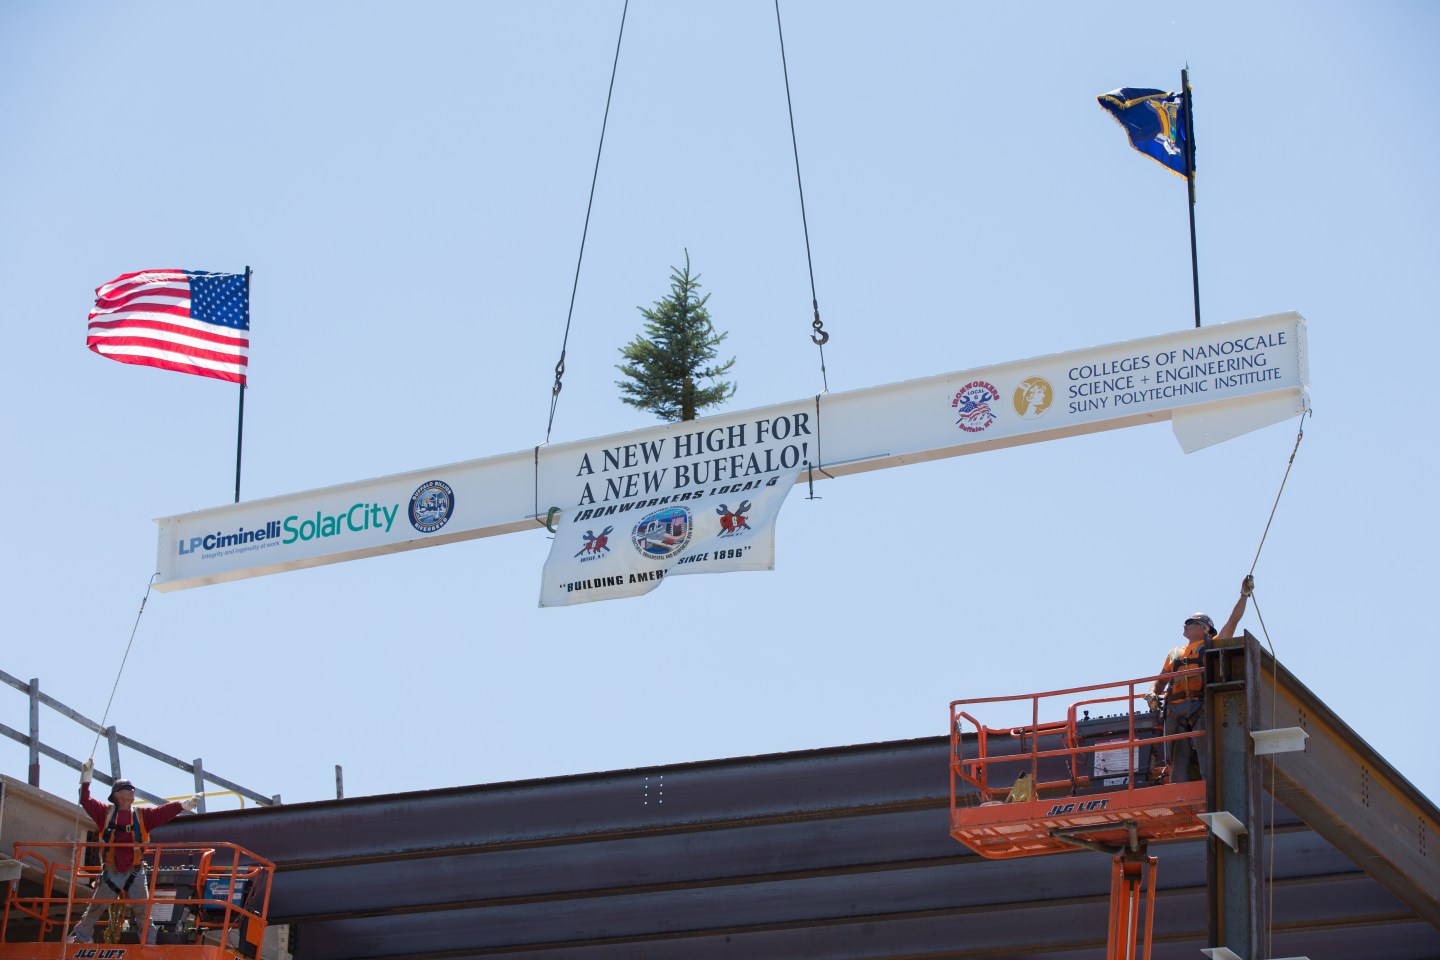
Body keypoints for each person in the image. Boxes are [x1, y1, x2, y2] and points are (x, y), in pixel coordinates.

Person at [67, 759, 201, 944]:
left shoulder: (141, 816)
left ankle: (148, 943)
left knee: (143, 911)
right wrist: (86, 777)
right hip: (111, 871)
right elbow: (85, 800)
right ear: (117, 794)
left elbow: (162, 812)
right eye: (128, 788)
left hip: (135, 870)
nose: (133, 791)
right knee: (96, 908)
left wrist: (182, 805)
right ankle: (80, 937)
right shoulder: (104, 813)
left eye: (133, 788)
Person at [1145, 576, 1253, 783]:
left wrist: (1244, 595)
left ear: (1204, 629)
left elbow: (1233, 621)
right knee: (1178, 759)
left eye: (1190, 623)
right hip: (1174, 709)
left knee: (1205, 751)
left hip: (1199, 706)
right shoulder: (1175, 653)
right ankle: (1181, 795)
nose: (1185, 625)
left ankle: (1209, 790)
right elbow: (1160, 682)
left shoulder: (1210, 645)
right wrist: (1151, 693)